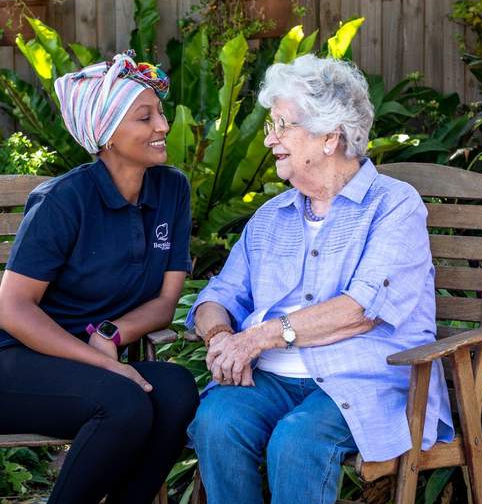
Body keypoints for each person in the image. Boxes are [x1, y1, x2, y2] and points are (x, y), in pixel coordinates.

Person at [186, 55, 454, 504]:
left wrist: (257, 339)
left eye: (282, 126)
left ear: (330, 137)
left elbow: (360, 311)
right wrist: (219, 336)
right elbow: (221, 295)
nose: (270, 140)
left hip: (361, 380)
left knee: (297, 442)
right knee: (217, 421)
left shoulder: (393, 206)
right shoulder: (272, 216)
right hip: (270, 380)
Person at [0, 51, 199, 504]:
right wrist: (103, 362)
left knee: (178, 390)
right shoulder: (63, 200)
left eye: (160, 113)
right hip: (4, 369)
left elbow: (165, 302)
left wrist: (110, 334)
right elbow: (12, 311)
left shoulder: (171, 190)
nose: (162, 126)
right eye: (145, 117)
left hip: (91, 366)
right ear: (106, 135)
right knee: (123, 402)